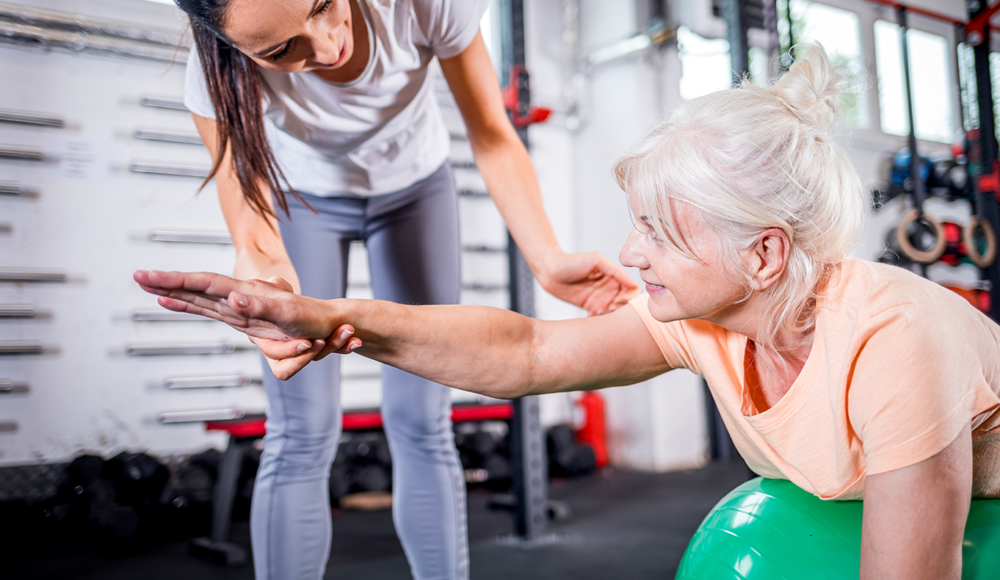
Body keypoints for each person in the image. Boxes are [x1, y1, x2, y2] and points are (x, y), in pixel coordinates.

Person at [137, 45, 1000, 580]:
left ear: (763, 254)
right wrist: (333, 323)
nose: (629, 256)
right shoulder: (708, 320)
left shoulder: (894, 340)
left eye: (659, 233)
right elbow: (527, 355)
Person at [172, 0, 638, 578]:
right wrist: (266, 279)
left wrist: (547, 259)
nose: (324, 45)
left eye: (322, 6)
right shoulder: (213, 59)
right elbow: (251, 226)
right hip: (304, 198)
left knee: (422, 419)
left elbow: (492, 134)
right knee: (300, 429)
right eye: (280, 50)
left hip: (415, 191)